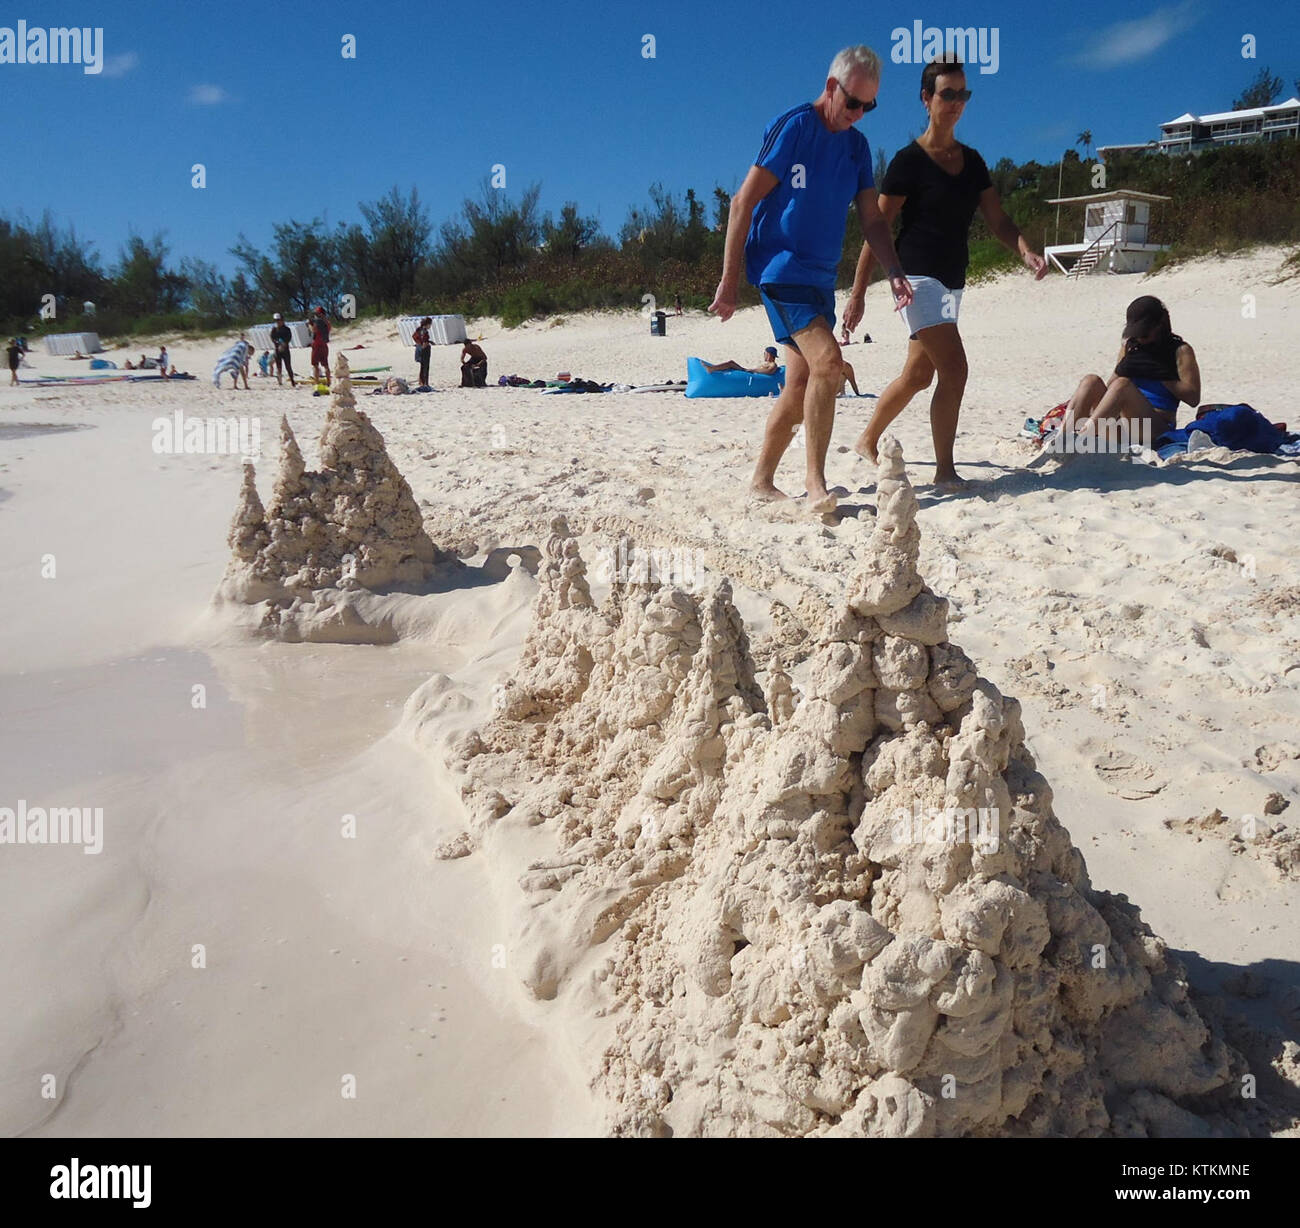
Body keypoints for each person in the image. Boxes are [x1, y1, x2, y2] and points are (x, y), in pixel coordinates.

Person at [709, 44, 913, 512]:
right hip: (780, 270)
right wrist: (729, 280)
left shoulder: (857, 147)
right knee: (829, 363)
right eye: (853, 102)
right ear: (830, 87)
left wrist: (895, 271)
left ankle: (761, 480)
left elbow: (872, 220)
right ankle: (816, 483)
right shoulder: (795, 127)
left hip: (820, 279)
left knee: (799, 383)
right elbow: (742, 203)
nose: (859, 114)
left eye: (869, 106)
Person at [851, 56, 1047, 488]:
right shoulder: (908, 162)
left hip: (952, 283)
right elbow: (875, 227)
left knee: (919, 374)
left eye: (963, 94)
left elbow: (998, 220)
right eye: (948, 94)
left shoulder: (973, 162)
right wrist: (858, 291)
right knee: (955, 370)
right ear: (926, 99)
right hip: (915, 276)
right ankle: (944, 470)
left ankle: (867, 439)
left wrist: (1025, 250)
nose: (957, 102)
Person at [1062, 296, 1200, 447]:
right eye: (1137, 334)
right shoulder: (1130, 347)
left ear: (1160, 324)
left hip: (1154, 428)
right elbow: (1110, 389)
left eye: (1145, 334)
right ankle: (1062, 438)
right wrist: (1124, 367)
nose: (1141, 339)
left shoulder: (1180, 350)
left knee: (1122, 385)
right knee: (1091, 381)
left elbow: (1193, 398)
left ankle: (1081, 438)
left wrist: (1161, 375)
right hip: (1121, 424)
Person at [703, 346, 780, 376]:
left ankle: (712, 368)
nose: (764, 355)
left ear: (769, 354)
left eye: (765, 354)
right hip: (750, 371)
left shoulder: (773, 364)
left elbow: (770, 371)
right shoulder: (768, 363)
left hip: (751, 373)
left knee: (731, 363)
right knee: (731, 364)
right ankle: (714, 368)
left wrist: (754, 370)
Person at [270, 312, 296, 387]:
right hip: (277, 350)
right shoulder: (274, 329)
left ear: (282, 320)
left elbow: (289, 338)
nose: (277, 322)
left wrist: (284, 344)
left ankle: (292, 381)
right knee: (278, 367)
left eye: (279, 320)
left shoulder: (287, 329)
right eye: (276, 321)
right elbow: (272, 338)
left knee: (288, 366)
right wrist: (278, 344)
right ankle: (280, 381)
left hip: (285, 350)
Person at [310, 306, 331, 386]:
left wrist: (309, 325)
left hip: (317, 345)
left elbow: (313, 330)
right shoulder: (327, 323)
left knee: (315, 365)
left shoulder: (317, 322)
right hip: (324, 345)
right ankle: (329, 382)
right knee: (326, 365)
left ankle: (316, 382)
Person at [413, 317, 432, 387]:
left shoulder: (418, 330)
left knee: (422, 366)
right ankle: (425, 383)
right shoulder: (424, 331)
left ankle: (421, 382)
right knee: (426, 367)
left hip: (419, 349)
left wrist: (419, 344)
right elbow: (424, 340)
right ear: (427, 324)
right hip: (425, 350)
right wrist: (423, 344)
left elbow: (414, 336)